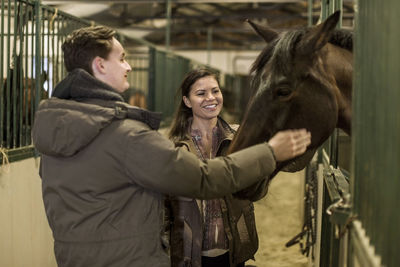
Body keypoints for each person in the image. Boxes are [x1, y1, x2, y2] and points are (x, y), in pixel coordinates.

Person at [32, 25, 311, 267]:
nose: (128, 66)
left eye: (215, 91)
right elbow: (202, 178)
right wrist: (270, 152)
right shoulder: (126, 136)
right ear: (100, 65)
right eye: (122, 59)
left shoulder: (58, 131)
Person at [167, 69, 258, 267]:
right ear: (187, 101)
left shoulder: (239, 138)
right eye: (201, 93)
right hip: (191, 255)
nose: (211, 98)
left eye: (215, 91)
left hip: (234, 251)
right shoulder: (174, 147)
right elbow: (164, 207)